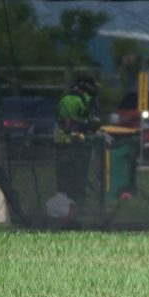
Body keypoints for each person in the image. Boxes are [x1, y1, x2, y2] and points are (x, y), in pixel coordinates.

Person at [51, 74, 101, 217]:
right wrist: (85, 125)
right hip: (67, 148)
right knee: (68, 182)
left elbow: (93, 121)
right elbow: (69, 125)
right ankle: (67, 214)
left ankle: (77, 212)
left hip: (79, 148)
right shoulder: (71, 100)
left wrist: (90, 126)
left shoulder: (87, 100)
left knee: (78, 181)